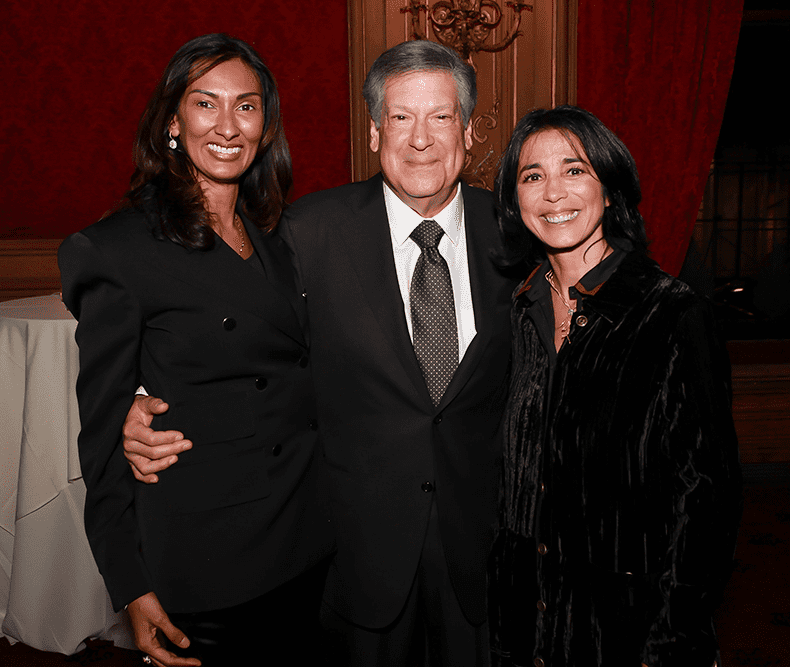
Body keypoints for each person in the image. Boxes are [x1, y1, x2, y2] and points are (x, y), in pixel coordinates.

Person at [123, 40, 515, 666]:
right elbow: (236, 342)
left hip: (484, 547)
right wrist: (139, 401)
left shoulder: (516, 234)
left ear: (467, 131)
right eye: (401, 117)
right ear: (373, 131)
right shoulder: (306, 233)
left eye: (440, 117)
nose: (420, 138)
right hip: (349, 551)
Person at [58, 33, 334, 667]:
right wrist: (130, 585)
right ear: (173, 122)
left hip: (311, 540)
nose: (229, 125)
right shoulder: (120, 249)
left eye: (248, 106)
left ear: (267, 126)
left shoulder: (282, 236)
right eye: (206, 103)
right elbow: (99, 446)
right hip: (210, 559)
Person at [488, 105, 742, 666]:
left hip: (628, 631)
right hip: (529, 626)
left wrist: (671, 638)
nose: (553, 192)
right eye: (533, 175)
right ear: (515, 201)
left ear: (611, 190)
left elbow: (707, 497)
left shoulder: (672, 315)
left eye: (574, 170)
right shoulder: (520, 309)